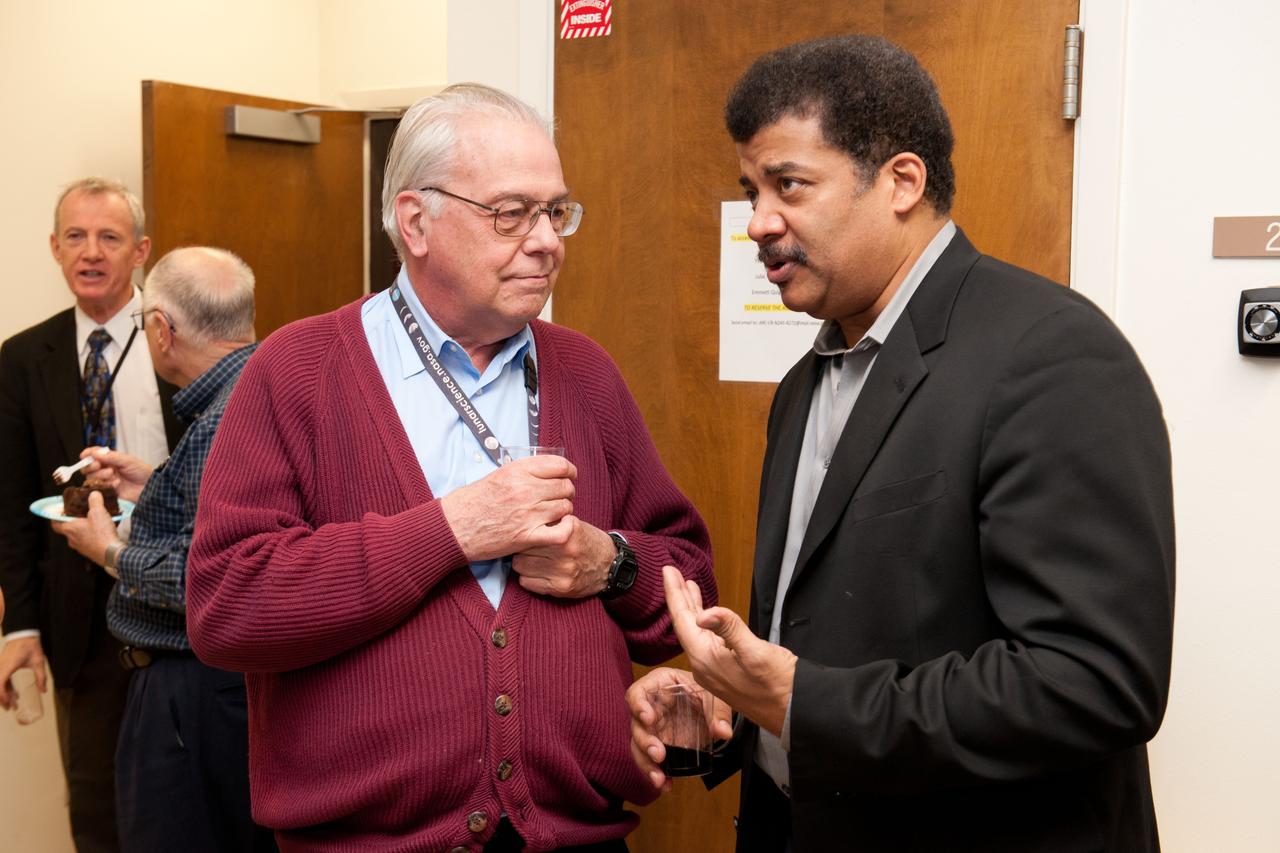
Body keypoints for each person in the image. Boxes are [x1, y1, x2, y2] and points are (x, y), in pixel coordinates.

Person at [627, 35, 1175, 853]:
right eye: (751, 191)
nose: (759, 224)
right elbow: (834, 642)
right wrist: (736, 715)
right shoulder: (803, 387)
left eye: (789, 185)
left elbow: (1095, 683)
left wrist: (801, 701)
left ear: (902, 183)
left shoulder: (1052, 355)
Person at [186, 83, 715, 853]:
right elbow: (228, 606)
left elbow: (690, 590)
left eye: (556, 212)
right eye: (511, 213)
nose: (546, 241)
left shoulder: (586, 374)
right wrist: (452, 528)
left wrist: (611, 562)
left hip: (575, 837)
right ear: (415, 221)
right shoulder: (295, 372)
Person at [51, 246, 274, 852]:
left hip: (191, 698)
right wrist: (151, 481)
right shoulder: (259, 396)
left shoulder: (218, 422)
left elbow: (214, 578)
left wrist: (107, 551)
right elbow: (227, 521)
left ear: (160, 330)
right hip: (226, 693)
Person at [0, 177, 181, 852]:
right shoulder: (23, 357)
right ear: (54, 247)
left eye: (109, 236)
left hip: (173, 602)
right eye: (75, 235)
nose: (91, 251)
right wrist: (18, 623)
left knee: (184, 802)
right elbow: (12, 503)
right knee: (98, 812)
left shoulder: (175, 338)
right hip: (77, 614)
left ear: (140, 251)